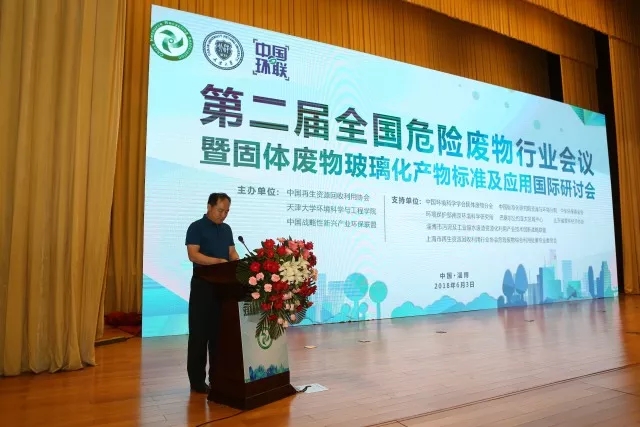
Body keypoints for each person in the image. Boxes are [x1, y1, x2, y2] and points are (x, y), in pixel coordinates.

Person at [185, 192, 240, 393]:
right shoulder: (196, 227)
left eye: (226, 212)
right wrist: (217, 262)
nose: (223, 215)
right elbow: (193, 255)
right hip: (203, 286)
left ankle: (218, 378)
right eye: (220, 210)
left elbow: (231, 252)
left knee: (220, 336)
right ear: (209, 207)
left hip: (224, 288)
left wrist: (238, 263)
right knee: (200, 335)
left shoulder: (226, 229)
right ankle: (197, 381)